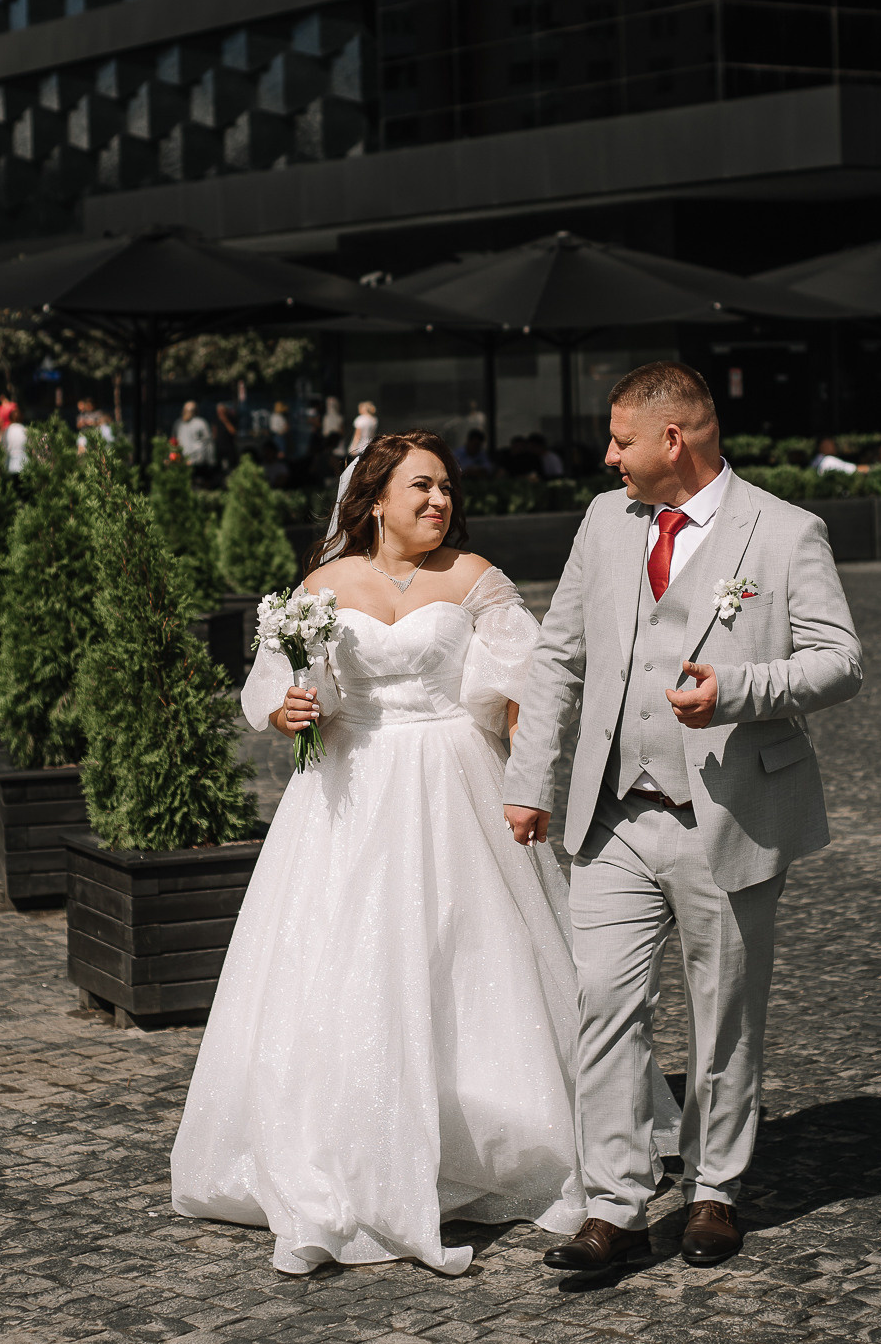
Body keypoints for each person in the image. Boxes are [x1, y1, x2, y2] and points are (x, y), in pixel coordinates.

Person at [170, 432, 678, 1275]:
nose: (439, 502)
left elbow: (524, 689)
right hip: (348, 790)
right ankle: (346, 1151)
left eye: (445, 488)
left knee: (468, 959)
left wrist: (529, 781)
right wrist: (293, 709)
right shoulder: (323, 587)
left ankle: (484, 1140)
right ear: (373, 500)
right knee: (343, 962)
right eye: (421, 488)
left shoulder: (474, 580)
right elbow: (276, 686)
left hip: (456, 785)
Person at [504, 361, 863, 1273]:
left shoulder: (786, 532)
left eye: (621, 439)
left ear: (674, 440)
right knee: (602, 1009)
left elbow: (839, 662)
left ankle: (713, 1190)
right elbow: (558, 657)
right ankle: (617, 1204)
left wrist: (741, 689)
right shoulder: (604, 521)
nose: (608, 455)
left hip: (729, 815)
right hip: (615, 814)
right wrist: (531, 778)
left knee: (724, 1013)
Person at [174, 401, 215, 471]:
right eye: (186, 410)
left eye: (189, 410)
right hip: (184, 460)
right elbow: (175, 441)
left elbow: (208, 442)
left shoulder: (200, 423)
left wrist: (211, 460)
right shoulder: (178, 423)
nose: (187, 413)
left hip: (198, 462)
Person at [0, 402, 28, 474]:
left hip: (10, 464)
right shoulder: (25, 430)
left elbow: (3, 447)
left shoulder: (6, 431)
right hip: (24, 462)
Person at [213, 402, 239, 474]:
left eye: (222, 411)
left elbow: (233, 432)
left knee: (231, 469)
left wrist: (225, 421)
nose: (220, 413)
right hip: (219, 448)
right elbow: (214, 434)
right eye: (218, 411)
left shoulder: (231, 419)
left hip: (229, 448)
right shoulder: (216, 420)